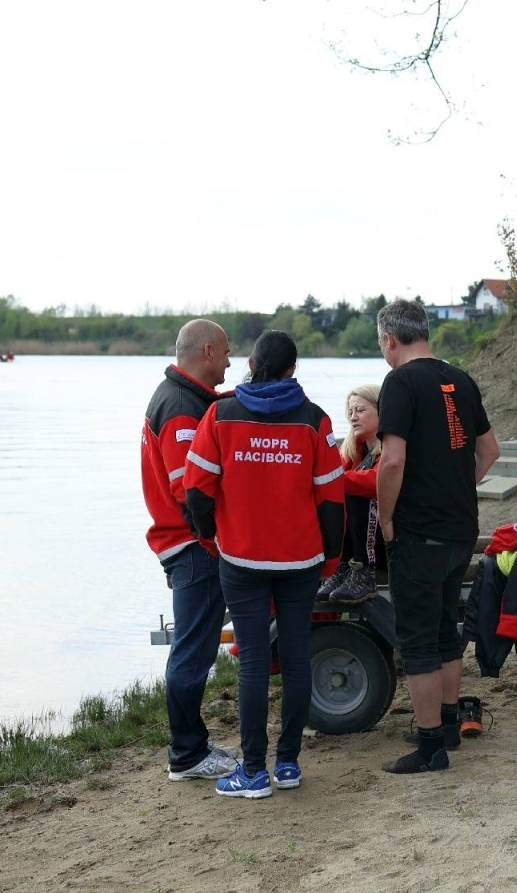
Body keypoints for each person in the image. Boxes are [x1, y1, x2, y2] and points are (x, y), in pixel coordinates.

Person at [183, 330, 345, 798]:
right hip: (301, 561)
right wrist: (330, 557)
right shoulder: (315, 420)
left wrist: (211, 538)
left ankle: (253, 771)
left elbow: (196, 491)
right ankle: (288, 764)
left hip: (241, 559)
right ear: (293, 369)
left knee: (254, 663)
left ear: (251, 364)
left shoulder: (220, 414)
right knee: (295, 659)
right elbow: (331, 500)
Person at [373, 299, 500, 773]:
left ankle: (430, 748)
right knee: (447, 628)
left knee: (418, 640)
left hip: (419, 532)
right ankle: (447, 725)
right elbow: (489, 451)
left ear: (390, 339)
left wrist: (387, 517)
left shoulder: (399, 382)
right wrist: (458, 485)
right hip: (460, 528)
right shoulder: (460, 379)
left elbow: (392, 461)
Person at [140, 318, 238, 783]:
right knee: (193, 652)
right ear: (207, 350)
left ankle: (192, 744)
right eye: (226, 352)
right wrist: (215, 540)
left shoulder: (184, 397)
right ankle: (186, 754)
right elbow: (188, 491)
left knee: (193, 649)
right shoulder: (180, 408)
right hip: (192, 546)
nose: (230, 362)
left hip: (183, 543)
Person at [320, 384, 386, 604]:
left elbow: (377, 483)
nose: (353, 417)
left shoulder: (393, 447)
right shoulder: (353, 449)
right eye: (350, 412)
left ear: (382, 411)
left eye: (360, 410)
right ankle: (340, 565)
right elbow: (333, 482)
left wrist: (329, 479)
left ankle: (364, 571)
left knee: (357, 490)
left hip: (390, 541)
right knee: (335, 496)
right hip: (358, 543)